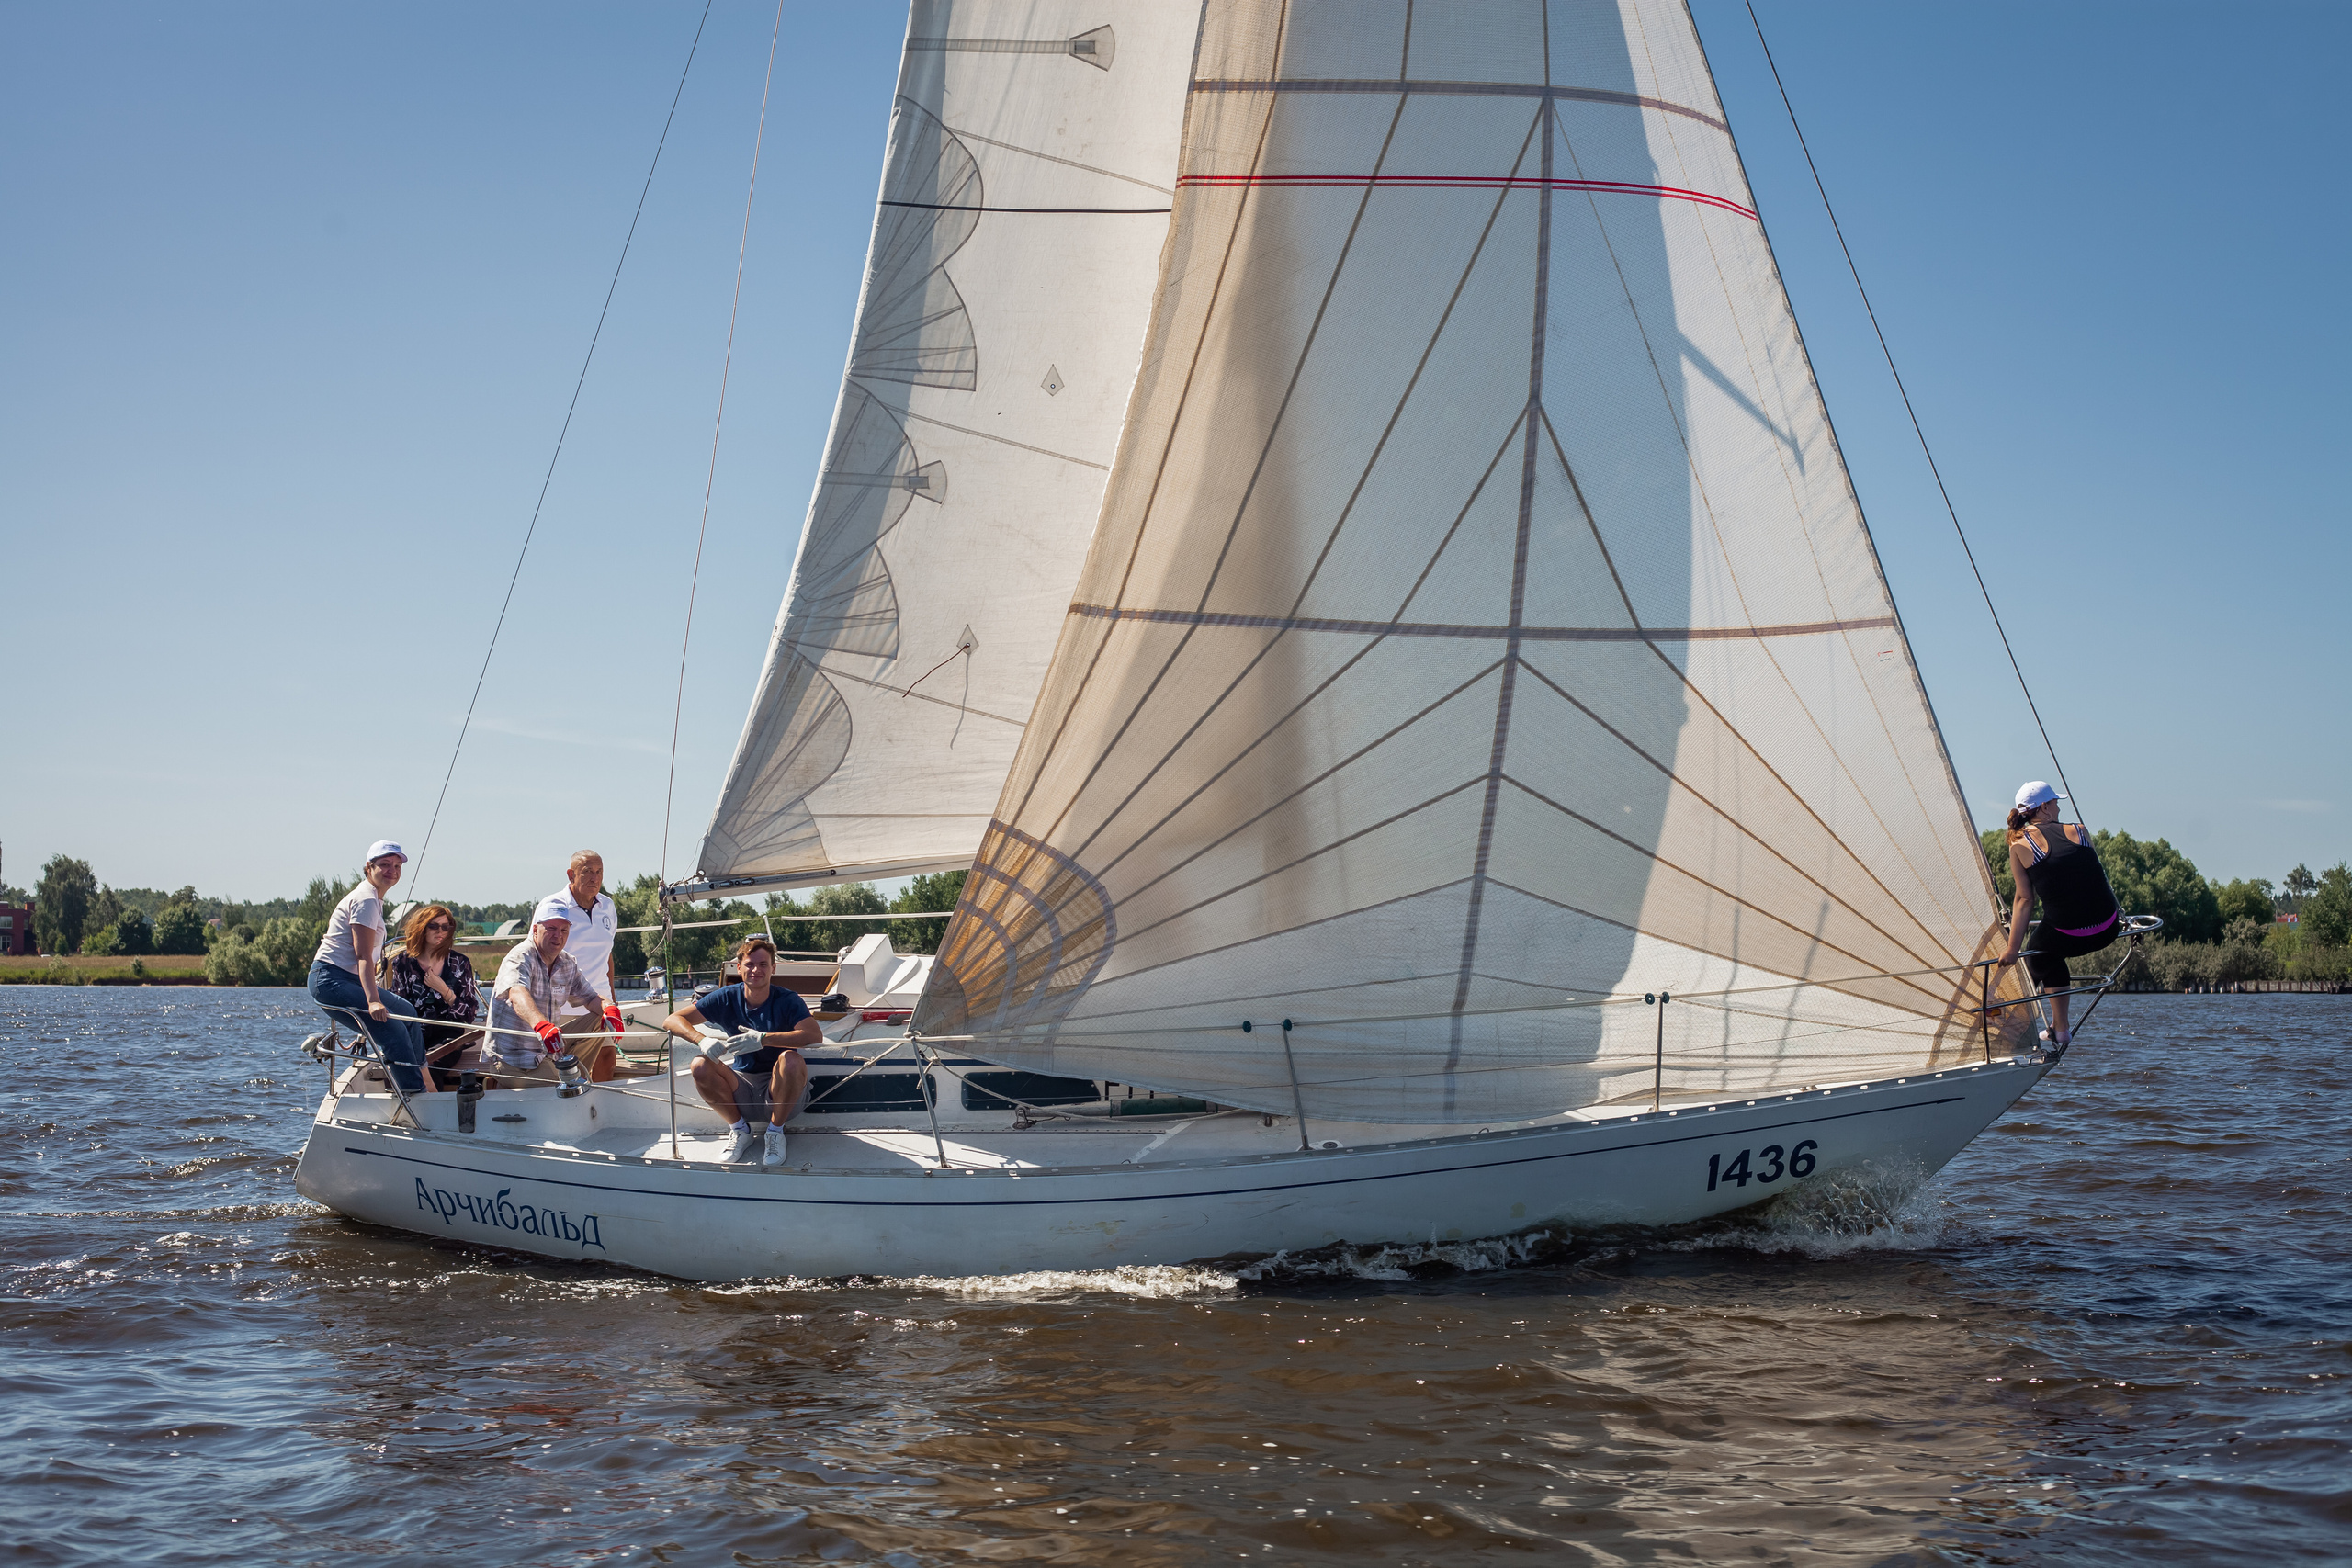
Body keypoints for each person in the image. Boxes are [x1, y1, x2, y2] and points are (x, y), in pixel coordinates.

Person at [660, 935, 821, 1168]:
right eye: (750, 964)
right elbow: (672, 1020)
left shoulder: (788, 999)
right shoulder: (726, 997)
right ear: (739, 968)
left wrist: (764, 1040)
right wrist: (702, 1040)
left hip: (783, 1092)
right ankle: (740, 1131)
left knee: (791, 1059)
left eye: (763, 964)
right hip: (742, 1085)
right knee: (700, 1064)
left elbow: (814, 1035)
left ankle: (775, 1133)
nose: (756, 970)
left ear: (773, 968)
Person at [1995, 781, 2120, 1045]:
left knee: (2039, 954)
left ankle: (2034, 1026)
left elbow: (2024, 899)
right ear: (2044, 808)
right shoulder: (2080, 830)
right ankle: (2056, 1028)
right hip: (2109, 928)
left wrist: (2012, 950)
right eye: (2055, 803)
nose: (2059, 807)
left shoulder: (2019, 844)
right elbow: (2092, 879)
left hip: (2069, 936)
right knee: (2051, 949)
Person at [308, 842, 430, 1098]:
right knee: (392, 1030)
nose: (392, 871)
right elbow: (363, 955)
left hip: (346, 978)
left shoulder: (374, 898)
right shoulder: (365, 900)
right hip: (330, 979)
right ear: (368, 867)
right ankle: (414, 1094)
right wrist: (374, 1001)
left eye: (397, 866)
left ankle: (421, 1078)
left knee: (407, 1013)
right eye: (384, 865)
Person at [484, 897, 627, 1086]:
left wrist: (609, 1008)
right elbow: (517, 994)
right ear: (535, 930)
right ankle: (501, 1082)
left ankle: (572, 1077)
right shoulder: (519, 957)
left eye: (563, 930)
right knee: (558, 1087)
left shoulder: (567, 962)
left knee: (599, 1020)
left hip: (547, 1051)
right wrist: (542, 1026)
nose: (558, 935)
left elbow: (591, 997)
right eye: (551, 929)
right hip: (512, 1056)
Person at [384, 903, 481, 1089]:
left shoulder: (459, 963)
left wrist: (444, 990)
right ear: (422, 928)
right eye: (434, 926)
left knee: (430, 1065)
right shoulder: (403, 963)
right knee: (399, 1066)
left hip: (448, 1036)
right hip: (413, 1034)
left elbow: (469, 1015)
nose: (440, 931)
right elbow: (397, 1006)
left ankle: (430, 1112)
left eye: (446, 927)